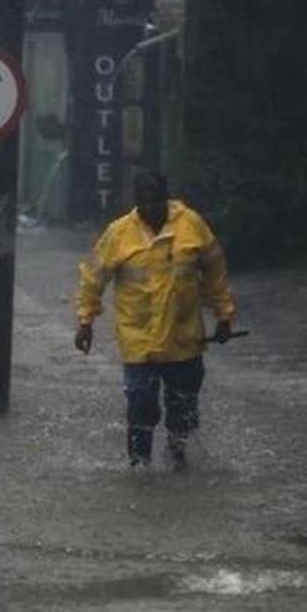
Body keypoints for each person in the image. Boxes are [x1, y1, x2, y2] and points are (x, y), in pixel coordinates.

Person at [75, 172, 238, 470]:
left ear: (167, 197)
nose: (151, 207)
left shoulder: (192, 225)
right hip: (140, 340)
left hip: (184, 337)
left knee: (184, 407)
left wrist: (224, 314)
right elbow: (92, 278)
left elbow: (215, 270)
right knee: (141, 404)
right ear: (136, 203)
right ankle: (140, 465)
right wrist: (85, 321)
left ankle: (180, 458)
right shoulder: (119, 233)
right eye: (144, 201)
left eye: (156, 200)